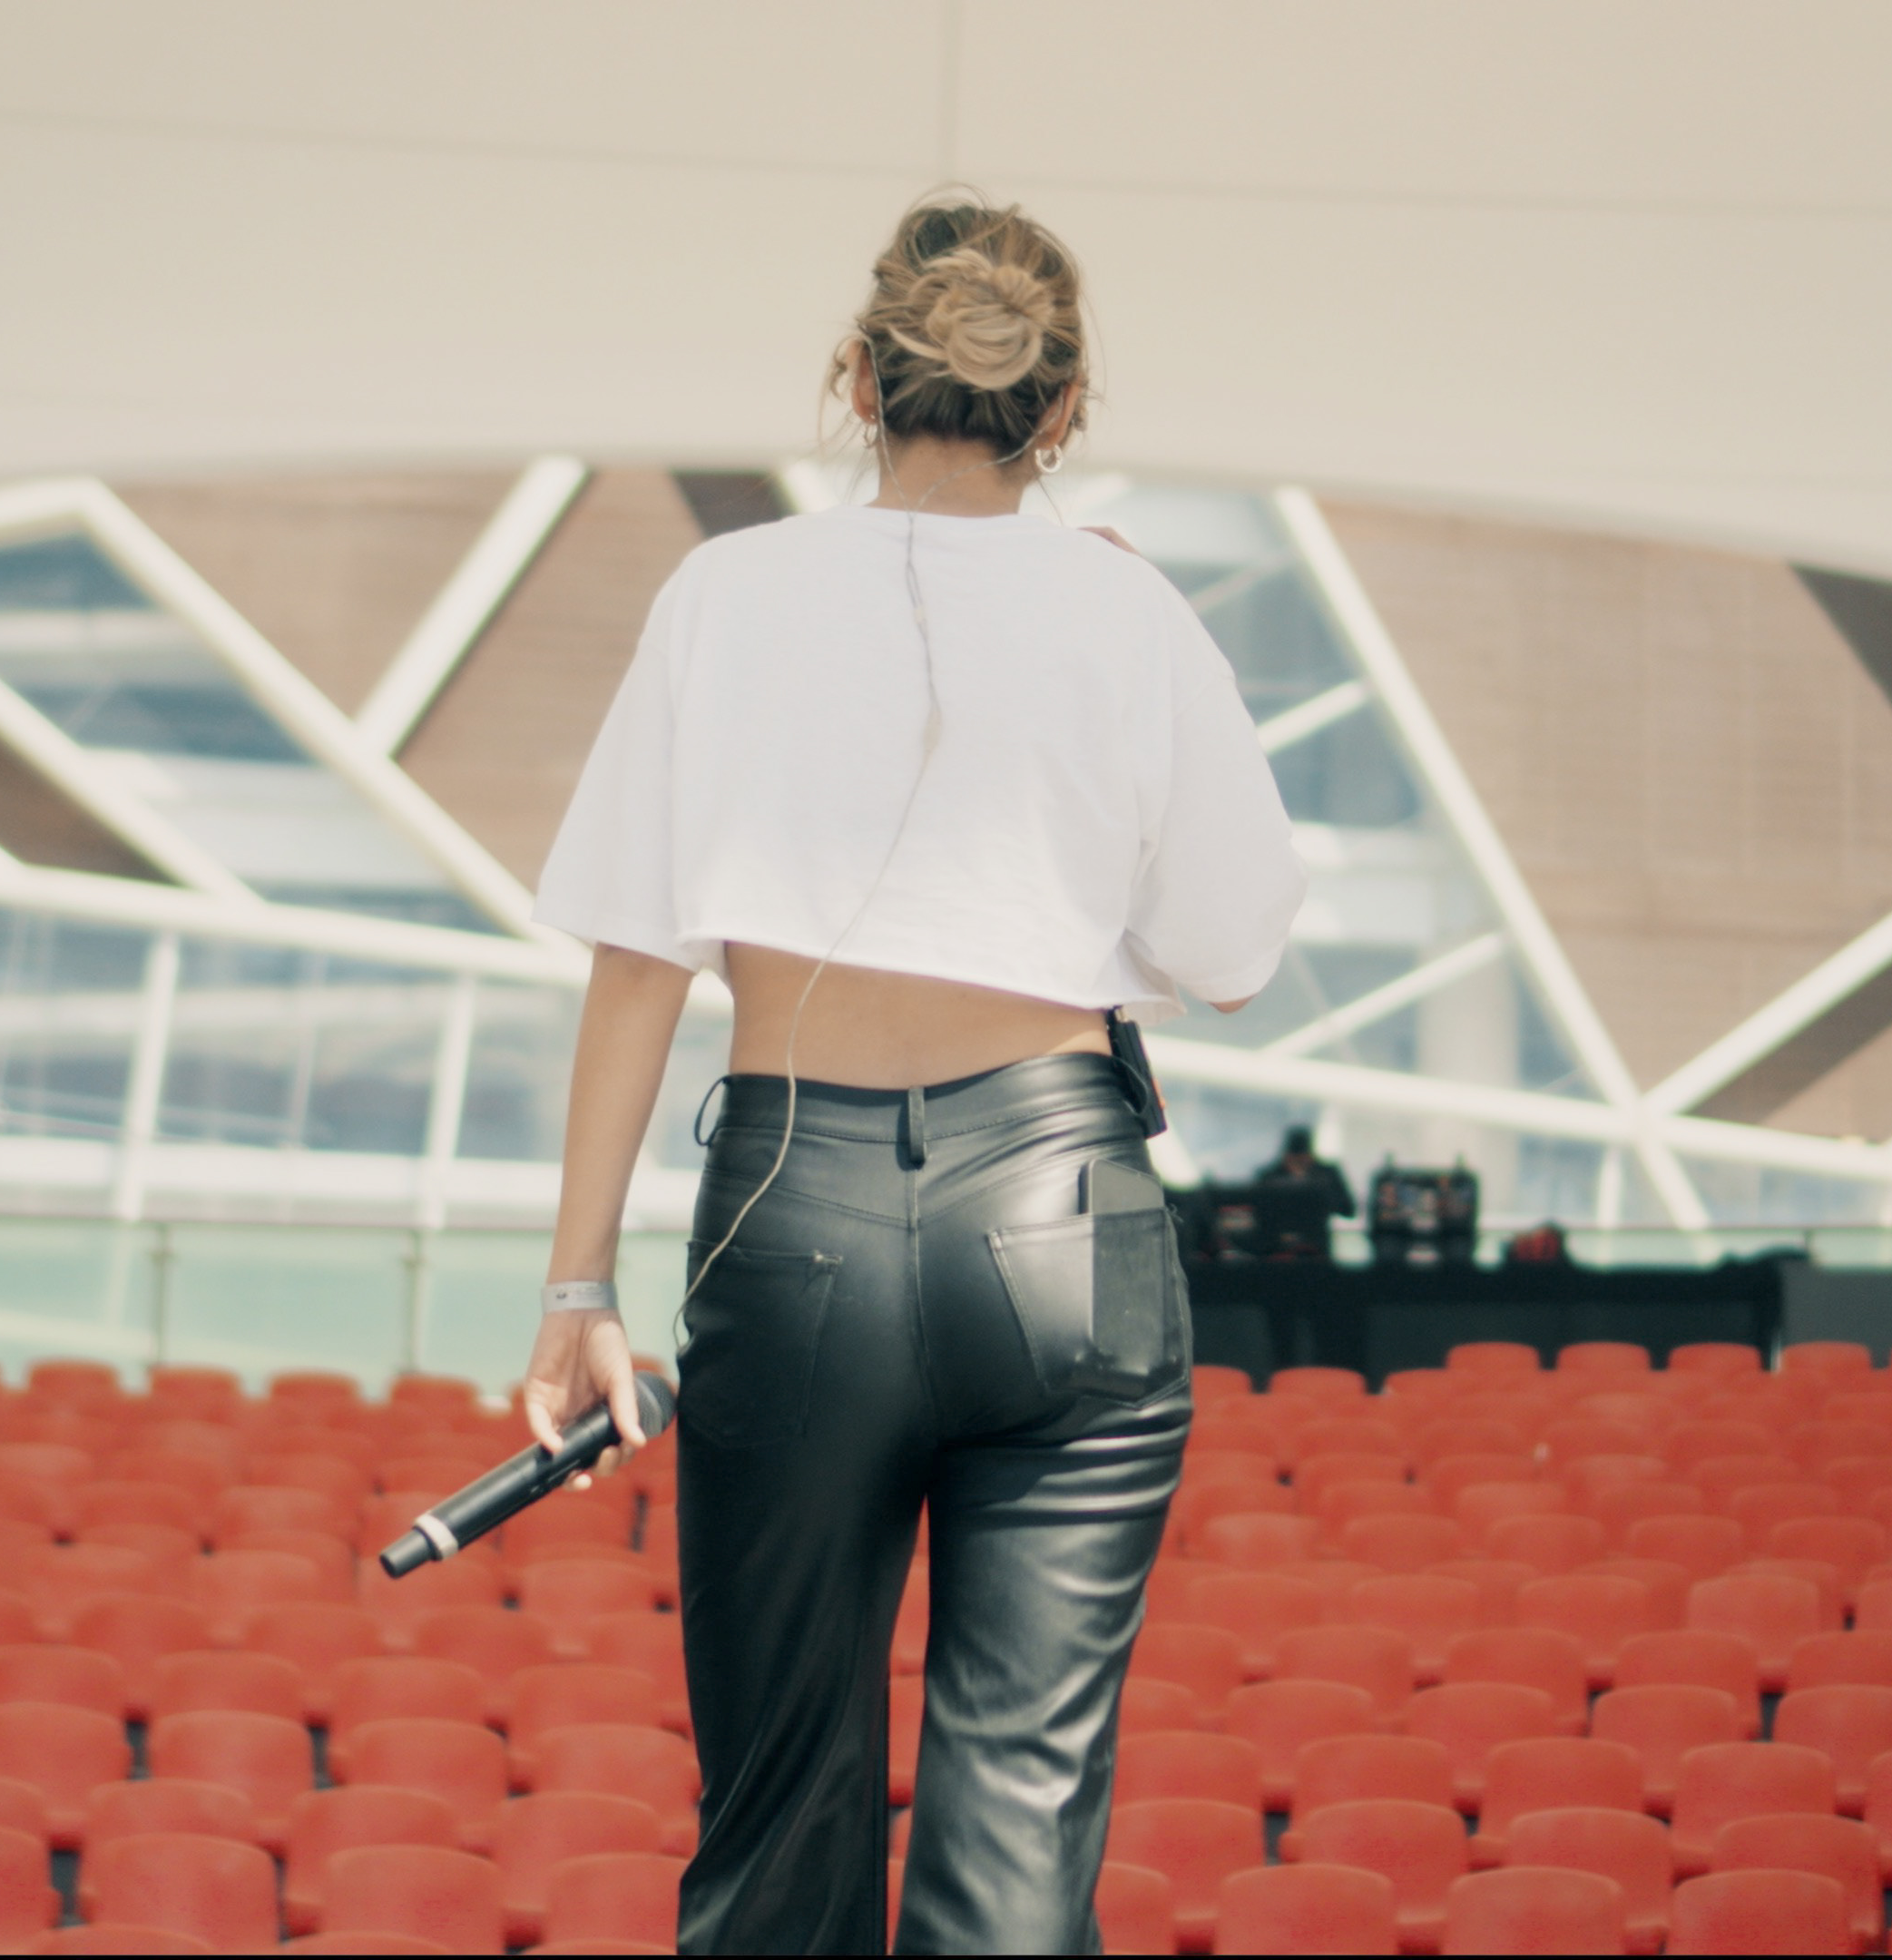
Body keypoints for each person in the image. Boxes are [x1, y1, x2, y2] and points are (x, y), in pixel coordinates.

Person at [515, 192, 1304, 1954]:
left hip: (791, 1214)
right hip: (1063, 1208)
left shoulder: (723, 594)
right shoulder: (1132, 612)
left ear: (858, 380)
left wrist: (578, 1287)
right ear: (1063, 409)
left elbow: (636, 957)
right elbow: (1235, 953)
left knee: (775, 1832)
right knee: (1016, 1854)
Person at [1251, 1123, 1358, 1219]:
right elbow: (1257, 1208)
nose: (1298, 1165)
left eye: (1302, 1160)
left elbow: (1348, 1209)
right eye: (1295, 1160)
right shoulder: (1270, 1176)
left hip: (1314, 1230)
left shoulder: (1326, 1175)